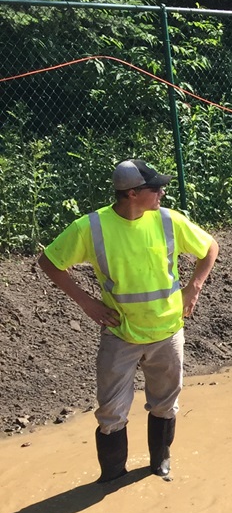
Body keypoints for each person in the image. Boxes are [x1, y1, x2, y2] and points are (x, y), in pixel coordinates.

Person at [38, 158, 219, 482]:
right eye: (156, 188)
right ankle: (112, 477)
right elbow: (49, 262)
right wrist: (86, 302)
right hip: (120, 333)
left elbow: (210, 248)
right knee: (110, 412)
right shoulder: (91, 227)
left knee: (165, 404)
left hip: (167, 331)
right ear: (132, 194)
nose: (162, 193)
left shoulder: (169, 221)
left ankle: (159, 463)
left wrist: (194, 287)